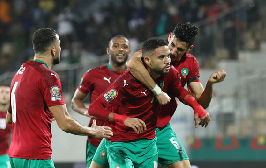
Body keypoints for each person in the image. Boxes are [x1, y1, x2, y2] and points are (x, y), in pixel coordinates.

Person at [88, 37, 209, 168]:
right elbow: (94, 108)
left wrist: (197, 107)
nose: (168, 60)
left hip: (147, 141)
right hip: (120, 140)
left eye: (168, 56)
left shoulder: (170, 74)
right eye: (162, 57)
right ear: (147, 61)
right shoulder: (126, 82)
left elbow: (179, 91)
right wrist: (124, 119)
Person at [6, 28, 113, 168]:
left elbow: (9, 118)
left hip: (15, 156)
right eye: (59, 45)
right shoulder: (48, 77)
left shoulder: (19, 73)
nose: (61, 49)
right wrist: (92, 131)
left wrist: (46, 114)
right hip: (36, 157)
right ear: (53, 50)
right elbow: (65, 123)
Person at [126, 22, 226, 168]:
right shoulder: (155, 51)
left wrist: (210, 84)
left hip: (161, 127)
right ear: (170, 37)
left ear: (189, 48)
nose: (173, 52)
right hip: (137, 124)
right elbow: (132, 63)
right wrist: (157, 91)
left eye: (179, 49)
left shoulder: (190, 63)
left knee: (184, 166)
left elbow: (201, 102)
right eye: (172, 45)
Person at [71, 35, 131, 168]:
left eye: (124, 46)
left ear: (129, 52)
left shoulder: (135, 76)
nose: (120, 49)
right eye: (116, 46)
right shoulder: (93, 74)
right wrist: (88, 112)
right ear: (108, 51)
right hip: (97, 139)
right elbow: (75, 101)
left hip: (124, 140)